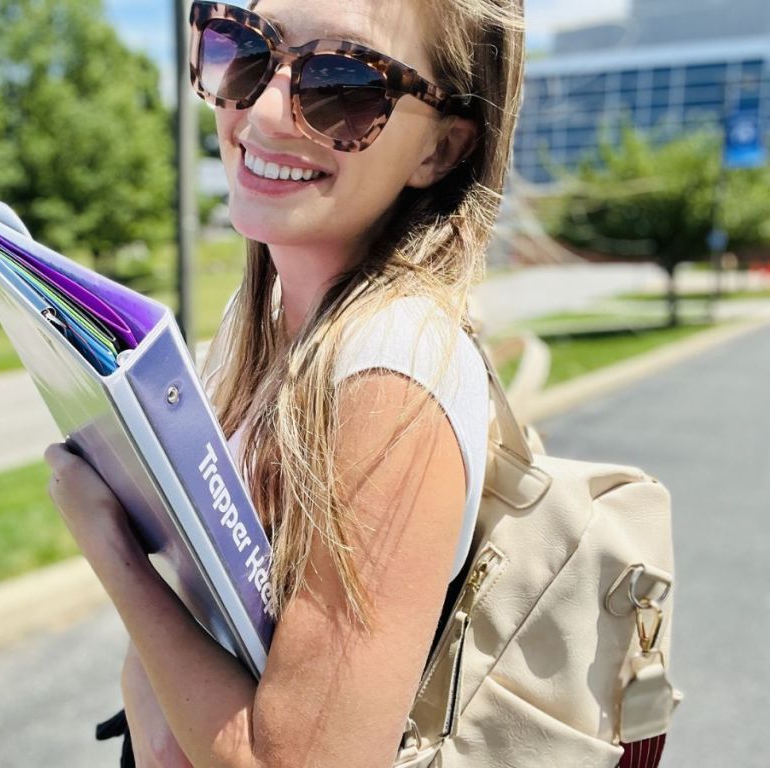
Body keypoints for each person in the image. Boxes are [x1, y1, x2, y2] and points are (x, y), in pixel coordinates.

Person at [44, 0, 525, 765]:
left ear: (440, 149)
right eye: (241, 46)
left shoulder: (392, 370)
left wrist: (113, 549)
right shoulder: (262, 317)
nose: (264, 115)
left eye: (343, 83)